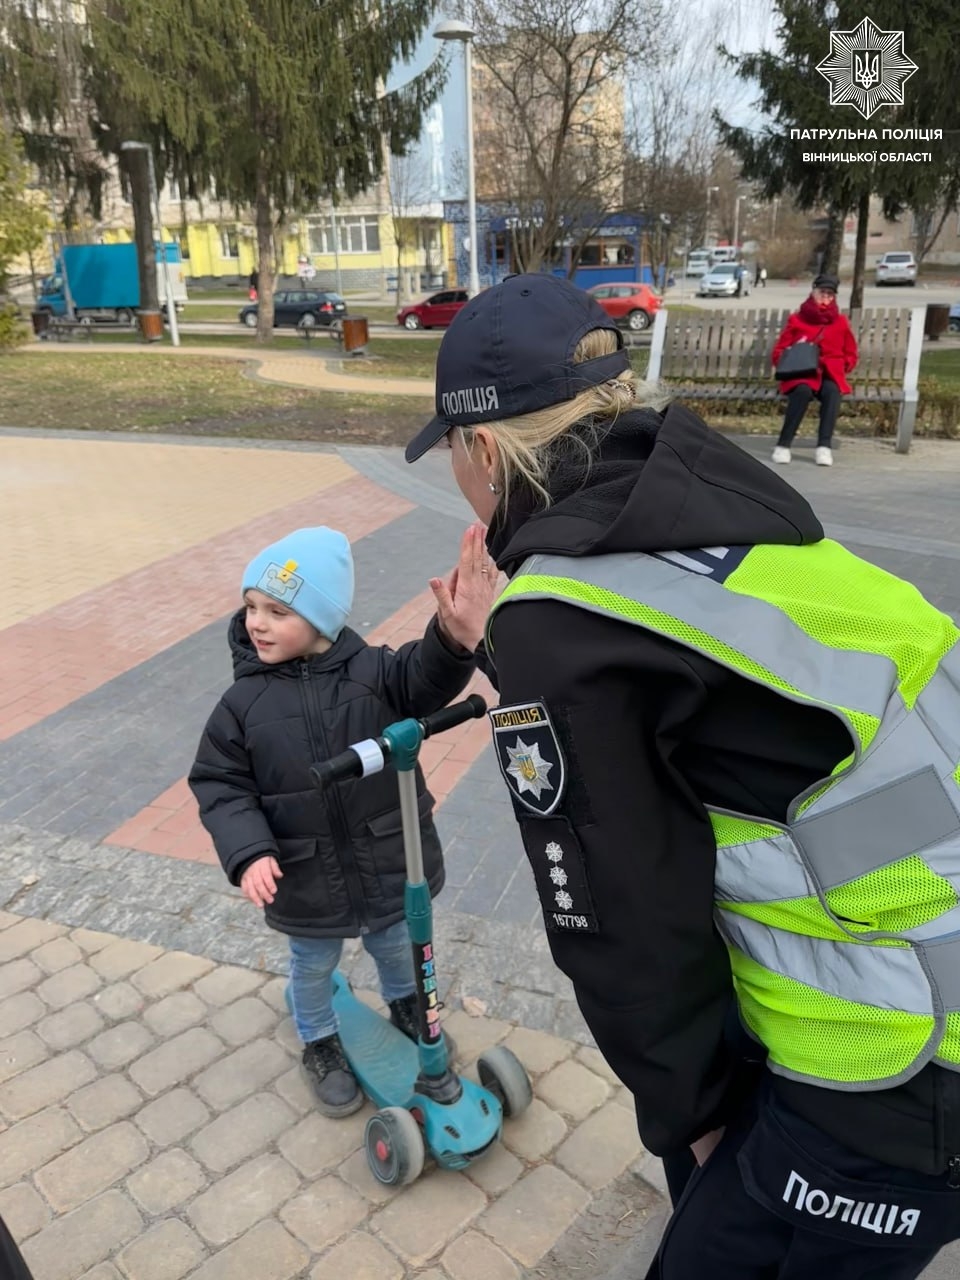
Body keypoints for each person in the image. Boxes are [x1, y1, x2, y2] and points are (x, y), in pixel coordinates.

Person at [404, 273, 960, 1279]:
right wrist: (505, 653)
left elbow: (620, 925)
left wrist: (698, 1125)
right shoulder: (718, 494)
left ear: (484, 450)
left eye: (449, 446)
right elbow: (700, 698)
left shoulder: (557, 616)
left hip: (894, 1049)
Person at [189, 523, 495, 1116]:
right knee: (312, 965)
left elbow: (422, 677)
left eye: (277, 611)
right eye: (251, 607)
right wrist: (249, 851)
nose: (256, 622)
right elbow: (220, 783)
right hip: (305, 878)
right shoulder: (241, 705)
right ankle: (319, 1040)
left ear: (323, 622)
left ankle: (407, 1004)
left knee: (395, 945)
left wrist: (453, 641)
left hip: (387, 861)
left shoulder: (373, 673)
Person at [771, 273, 858, 468]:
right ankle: (783, 445)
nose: (825, 298)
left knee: (832, 392)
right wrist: (790, 360)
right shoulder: (797, 320)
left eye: (830, 294)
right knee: (802, 392)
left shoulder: (841, 322)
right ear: (813, 292)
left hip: (830, 373)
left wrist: (844, 365)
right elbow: (779, 351)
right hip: (801, 373)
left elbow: (851, 352)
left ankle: (824, 446)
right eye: (822, 293)